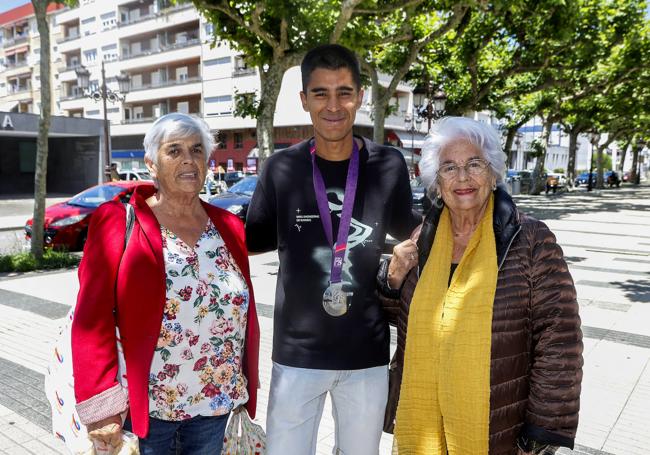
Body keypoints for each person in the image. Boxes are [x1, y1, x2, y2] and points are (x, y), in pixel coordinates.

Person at [245, 44, 421, 455]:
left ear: (361, 96)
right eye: (320, 93)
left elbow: (413, 229)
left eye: (344, 91)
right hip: (296, 355)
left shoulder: (388, 164)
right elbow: (248, 240)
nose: (333, 105)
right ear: (304, 100)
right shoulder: (281, 168)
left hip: (367, 352)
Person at [377, 116, 583, 455]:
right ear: (436, 180)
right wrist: (392, 278)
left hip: (501, 426)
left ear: (493, 171)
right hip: (427, 424)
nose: (462, 178)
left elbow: (559, 337)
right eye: (449, 167)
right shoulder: (423, 236)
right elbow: (404, 320)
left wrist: (542, 429)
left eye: (474, 164)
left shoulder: (530, 239)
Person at [71, 113, 260, 454]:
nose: (189, 159)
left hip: (214, 405)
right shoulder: (117, 221)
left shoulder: (229, 226)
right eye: (174, 150)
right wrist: (101, 408)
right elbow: (91, 317)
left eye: (197, 150)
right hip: (145, 411)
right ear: (151, 164)